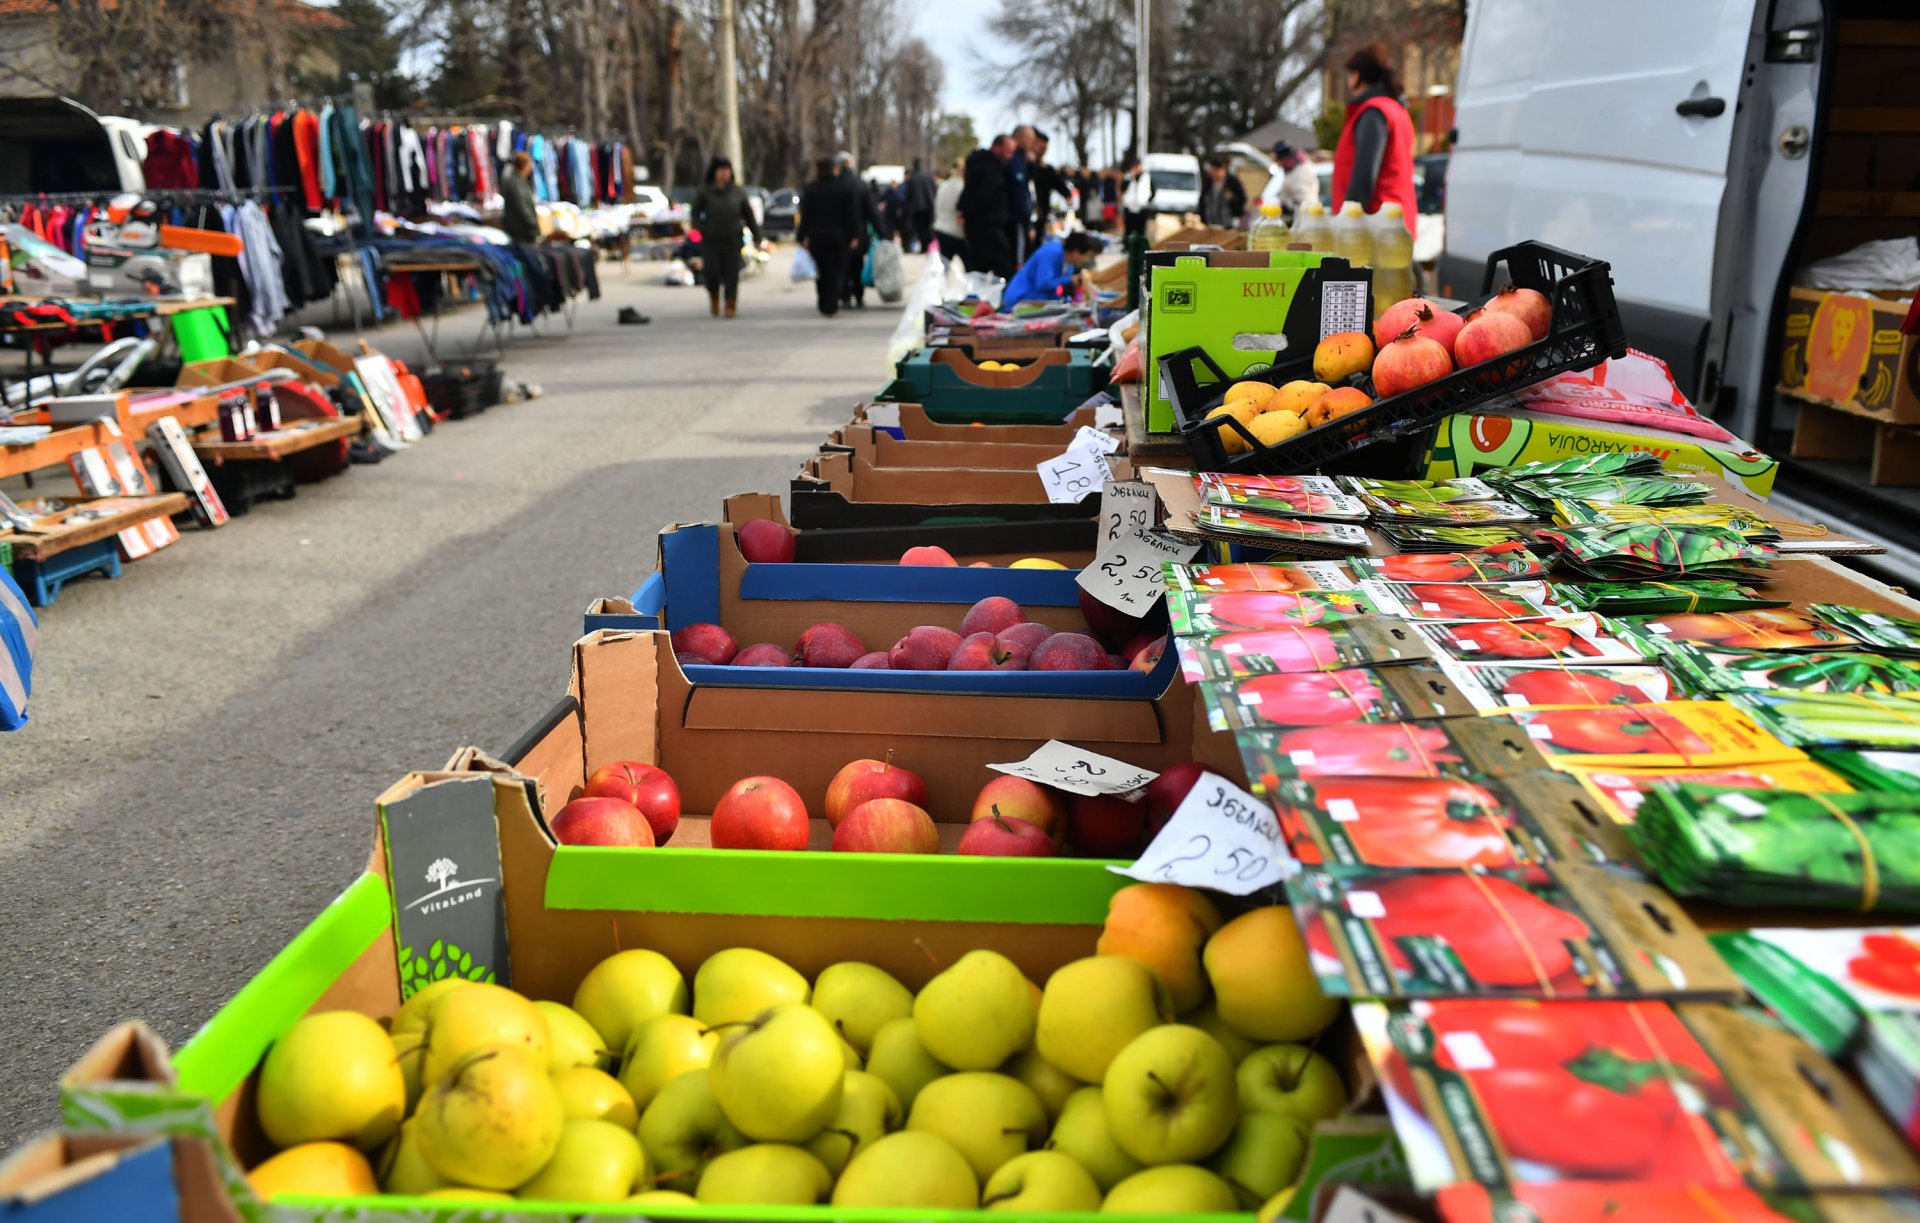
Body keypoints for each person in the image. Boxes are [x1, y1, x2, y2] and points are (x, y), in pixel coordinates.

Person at [1331, 42, 1417, 236]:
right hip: (1394, 223)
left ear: (1358, 76)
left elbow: (1364, 174)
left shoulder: (1374, 113)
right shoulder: (1396, 110)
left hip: (1375, 228)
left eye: (1350, 74)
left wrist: (1348, 223)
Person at [690, 156, 761, 318]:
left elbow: (748, 216)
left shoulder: (738, 192)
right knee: (711, 272)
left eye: (727, 170)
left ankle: (730, 303)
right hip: (710, 240)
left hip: (733, 239)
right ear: (714, 173)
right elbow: (694, 214)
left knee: (732, 274)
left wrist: (757, 236)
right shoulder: (705, 191)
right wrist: (701, 228)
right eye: (721, 170)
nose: (724, 174)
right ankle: (714, 295)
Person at [798, 156, 858, 317]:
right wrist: (854, 235)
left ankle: (823, 301)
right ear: (834, 169)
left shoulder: (811, 189)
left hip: (817, 237)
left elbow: (806, 215)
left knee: (821, 271)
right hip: (839, 237)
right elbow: (850, 215)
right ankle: (832, 303)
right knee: (836, 271)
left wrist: (801, 236)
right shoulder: (843, 188)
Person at [959, 134, 1015, 279]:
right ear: (997, 148)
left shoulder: (985, 166)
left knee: (982, 269)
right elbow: (981, 196)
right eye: (1008, 151)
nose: (1010, 156)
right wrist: (967, 212)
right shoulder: (988, 168)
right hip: (986, 226)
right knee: (1001, 268)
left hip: (983, 225)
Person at [1000, 231, 1101, 311]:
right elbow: (1043, 283)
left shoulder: (1069, 263)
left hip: (1038, 300)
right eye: (1086, 256)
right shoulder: (1052, 252)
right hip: (1020, 299)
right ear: (1076, 252)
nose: (1086, 260)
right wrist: (1069, 280)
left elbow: (1058, 288)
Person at [836, 152, 880, 309]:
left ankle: (845, 296)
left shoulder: (835, 184)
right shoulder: (861, 185)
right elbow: (872, 212)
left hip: (839, 234)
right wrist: (881, 232)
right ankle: (859, 295)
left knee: (842, 267)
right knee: (857, 265)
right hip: (860, 234)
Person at [499, 151, 540, 244]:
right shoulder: (515, 183)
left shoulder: (520, 180)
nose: (531, 168)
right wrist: (534, 226)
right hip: (521, 232)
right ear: (524, 165)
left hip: (523, 230)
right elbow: (522, 207)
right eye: (529, 164)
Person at [1272, 142, 1319, 222]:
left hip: (1301, 220)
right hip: (1295, 219)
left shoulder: (1301, 172)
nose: (1279, 163)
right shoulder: (1292, 170)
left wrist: (1288, 209)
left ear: (1285, 158)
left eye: (1280, 160)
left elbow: (1303, 201)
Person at [932, 158, 966, 264]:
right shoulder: (961, 187)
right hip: (955, 231)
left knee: (943, 267)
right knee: (970, 267)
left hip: (941, 227)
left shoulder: (943, 185)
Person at [1199, 155, 1247, 228]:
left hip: (1228, 223)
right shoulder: (1209, 182)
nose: (1212, 172)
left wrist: (1231, 197)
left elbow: (1242, 199)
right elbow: (1202, 200)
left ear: (1222, 169)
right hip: (1210, 222)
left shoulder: (1232, 181)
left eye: (1214, 170)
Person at [903, 158, 936, 253]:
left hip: (916, 209)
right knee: (927, 228)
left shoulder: (912, 179)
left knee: (919, 229)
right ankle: (928, 247)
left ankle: (924, 247)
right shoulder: (928, 177)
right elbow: (934, 192)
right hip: (927, 208)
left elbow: (908, 196)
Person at [1120, 156, 1152, 239]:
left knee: (1140, 230)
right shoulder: (1128, 177)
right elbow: (1122, 188)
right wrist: (1130, 177)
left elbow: (1153, 191)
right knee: (1128, 230)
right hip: (1129, 207)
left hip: (1142, 207)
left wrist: (1147, 201)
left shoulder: (1146, 177)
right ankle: (1127, 247)